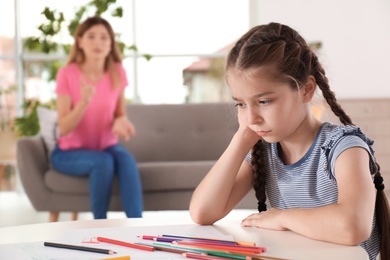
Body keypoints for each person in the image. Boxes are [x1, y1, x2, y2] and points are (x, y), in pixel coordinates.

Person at [189, 22, 390, 260]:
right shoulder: (263, 152)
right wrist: (241, 138)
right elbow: (203, 212)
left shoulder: (344, 148)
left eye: (264, 101)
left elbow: (353, 227)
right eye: (241, 104)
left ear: (306, 90)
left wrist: (282, 217)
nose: (252, 117)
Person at [51, 16, 143, 219]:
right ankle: (99, 226)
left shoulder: (117, 72)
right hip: (68, 152)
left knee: (126, 160)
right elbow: (64, 128)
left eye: (104, 37)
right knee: (103, 162)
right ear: (80, 42)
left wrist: (121, 121)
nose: (98, 42)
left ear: (111, 44)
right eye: (91, 36)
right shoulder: (67, 74)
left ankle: (138, 227)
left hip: (106, 146)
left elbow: (120, 113)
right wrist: (84, 101)